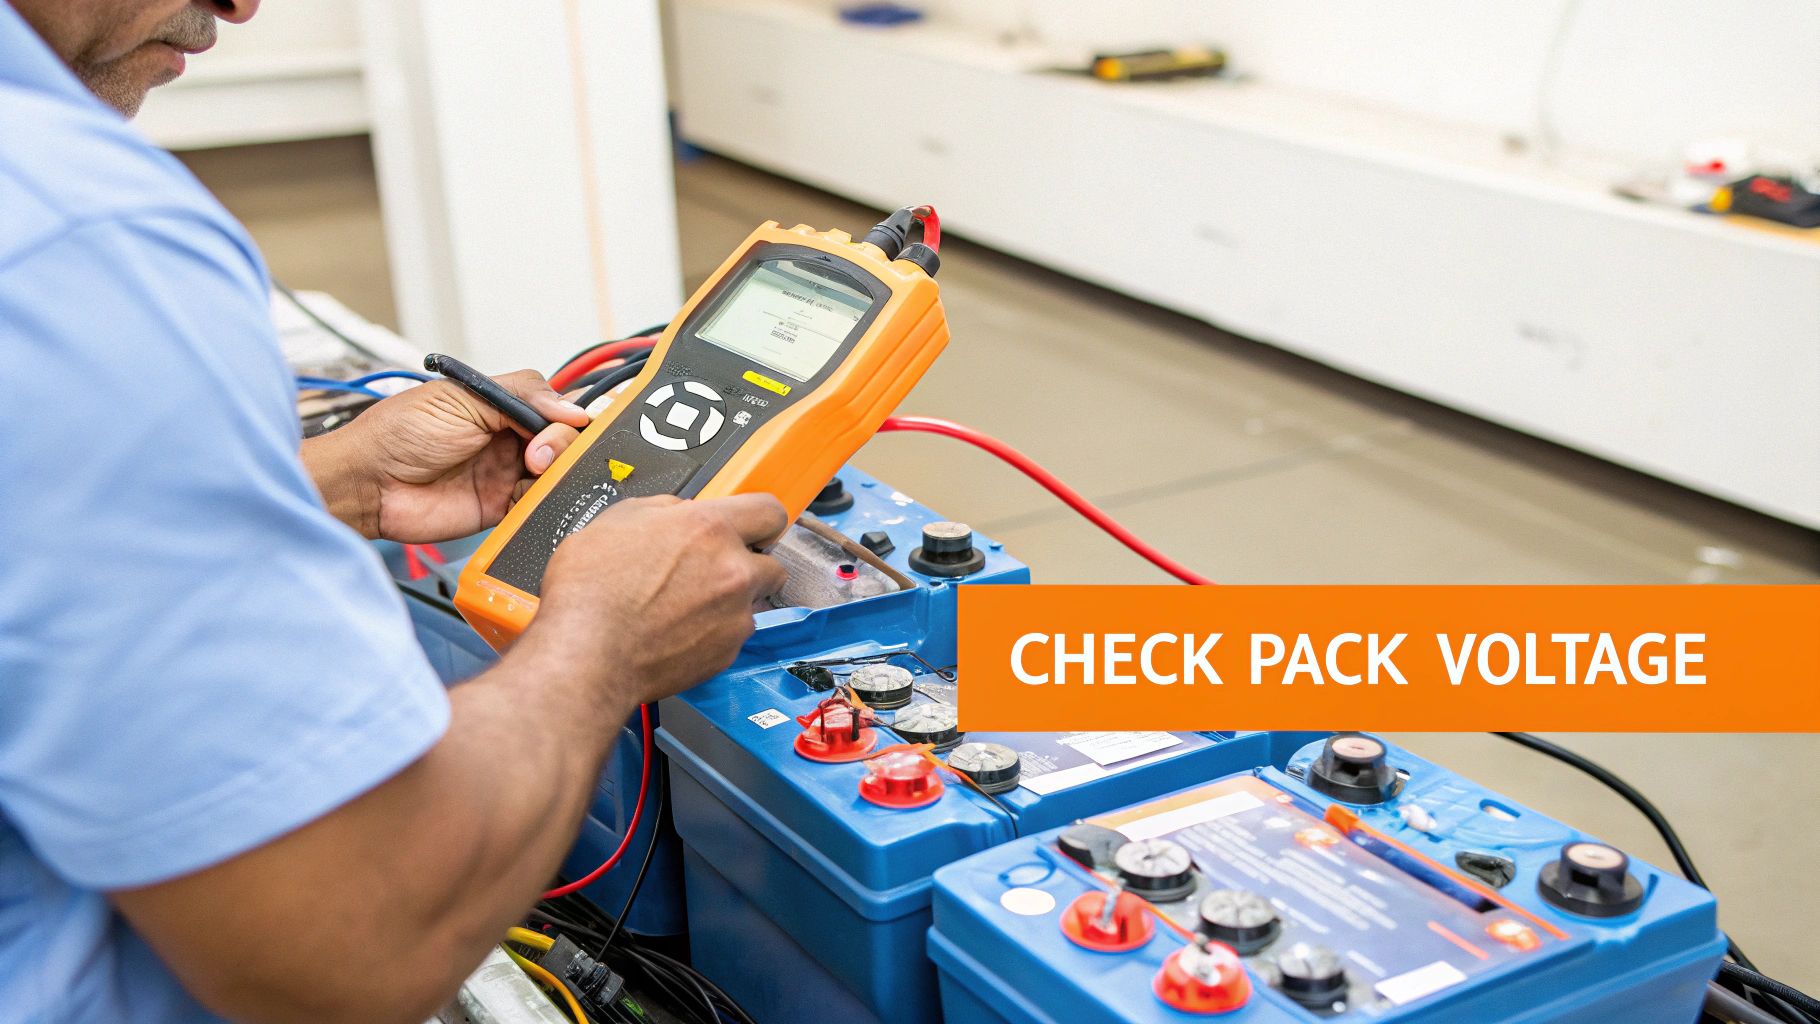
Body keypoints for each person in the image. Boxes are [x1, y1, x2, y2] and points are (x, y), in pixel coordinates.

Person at [0, 2, 788, 1021]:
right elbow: (346, 941)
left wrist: (338, 482)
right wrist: (603, 645)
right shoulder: (76, 239)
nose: (242, 3)